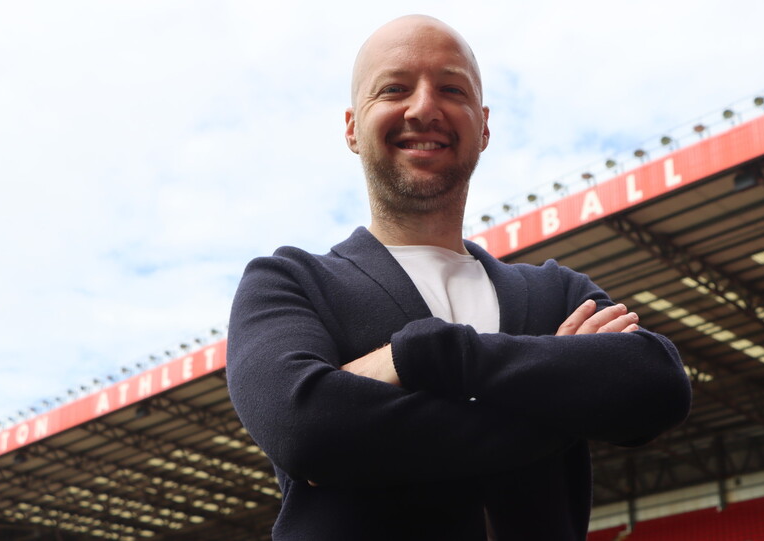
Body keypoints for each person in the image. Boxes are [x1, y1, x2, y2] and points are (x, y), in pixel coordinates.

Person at [226, 14, 691, 541]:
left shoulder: (554, 291)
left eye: (451, 88)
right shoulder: (288, 282)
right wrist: (561, 407)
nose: (424, 108)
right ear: (352, 127)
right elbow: (306, 430)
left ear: (484, 124)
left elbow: (656, 385)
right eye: (394, 88)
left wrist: (418, 356)